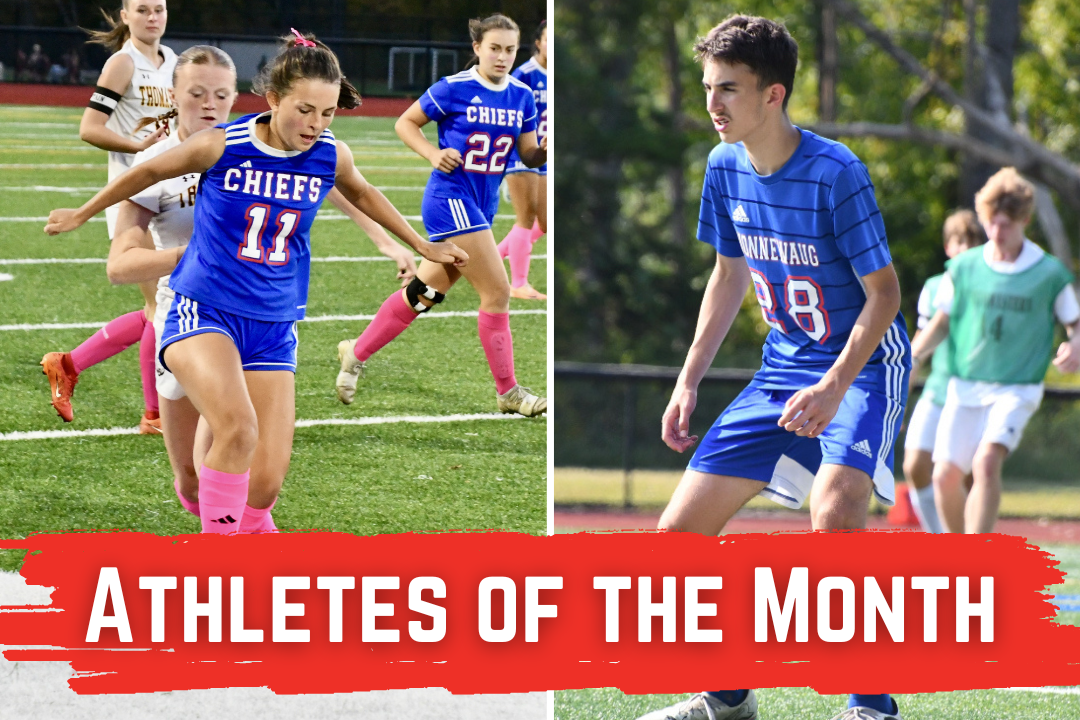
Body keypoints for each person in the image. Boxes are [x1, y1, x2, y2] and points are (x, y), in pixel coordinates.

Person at [45, 30, 467, 535]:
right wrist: (84, 213)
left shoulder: (330, 154)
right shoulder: (225, 143)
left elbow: (364, 192)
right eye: (304, 110)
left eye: (328, 113)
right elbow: (145, 172)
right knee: (238, 431)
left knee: (265, 485)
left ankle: (241, 538)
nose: (315, 124)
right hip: (201, 308)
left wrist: (420, 246)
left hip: (273, 322)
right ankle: (218, 569)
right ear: (272, 99)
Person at [640, 16, 907, 720]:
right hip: (782, 370)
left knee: (838, 514)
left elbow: (885, 295)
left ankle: (870, 707)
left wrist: (834, 384)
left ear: (774, 95)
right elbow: (727, 276)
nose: (712, 103)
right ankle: (728, 698)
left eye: (729, 88)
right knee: (676, 541)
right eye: (707, 87)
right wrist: (689, 376)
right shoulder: (722, 167)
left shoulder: (835, 171)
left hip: (863, 364)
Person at [334, 13, 548, 417]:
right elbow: (406, 122)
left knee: (423, 294)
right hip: (450, 199)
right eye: (494, 48)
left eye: (509, 49)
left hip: (481, 204)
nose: (502, 57)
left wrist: (547, 149)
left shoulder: (520, 95)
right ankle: (509, 392)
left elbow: (528, 153)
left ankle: (355, 355)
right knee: (498, 292)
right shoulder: (455, 87)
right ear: (477, 49)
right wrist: (433, 153)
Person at [910, 167, 1080, 534]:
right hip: (965, 386)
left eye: (1006, 225)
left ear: (1025, 220)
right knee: (943, 477)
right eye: (991, 224)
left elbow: (1075, 323)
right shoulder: (965, 267)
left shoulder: (1048, 273)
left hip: (1016, 388)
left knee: (986, 462)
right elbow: (940, 322)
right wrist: (913, 356)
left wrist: (1076, 345)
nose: (997, 234)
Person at [40, 0, 175, 433]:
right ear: (125, 16)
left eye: (159, 9)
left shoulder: (173, 60)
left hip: (169, 196)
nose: (153, 16)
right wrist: (140, 149)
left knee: (163, 306)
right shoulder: (122, 63)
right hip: (132, 200)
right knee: (159, 307)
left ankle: (68, 363)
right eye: (143, 9)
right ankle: (154, 415)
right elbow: (89, 128)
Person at [900, 210, 984, 533]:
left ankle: (970, 543)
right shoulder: (934, 287)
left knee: (967, 474)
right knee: (915, 465)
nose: (966, 248)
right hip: (938, 390)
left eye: (972, 241)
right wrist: (901, 398)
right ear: (948, 247)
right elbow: (922, 342)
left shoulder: (992, 284)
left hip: (975, 394)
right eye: (959, 241)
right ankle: (940, 540)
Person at [496, 19, 548, 300]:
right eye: (548, 40)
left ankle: (491, 256)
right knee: (525, 218)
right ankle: (519, 284)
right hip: (522, 153)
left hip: (545, 155)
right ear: (538, 43)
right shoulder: (524, 74)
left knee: (546, 221)